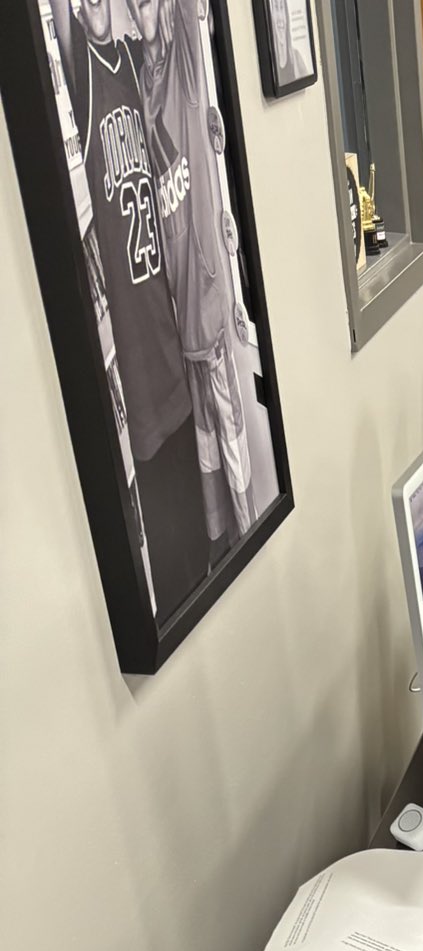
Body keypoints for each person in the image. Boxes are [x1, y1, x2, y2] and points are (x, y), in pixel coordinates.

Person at [46, 0, 206, 615]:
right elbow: (65, 28)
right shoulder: (83, 70)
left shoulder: (134, 62)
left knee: (201, 557)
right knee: (172, 588)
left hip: (169, 349)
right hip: (136, 375)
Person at [128, 0, 260, 560]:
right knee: (212, 493)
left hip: (213, 317)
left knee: (241, 482)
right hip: (183, 334)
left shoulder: (183, 67)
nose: (144, 9)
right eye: (135, 5)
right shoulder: (141, 84)